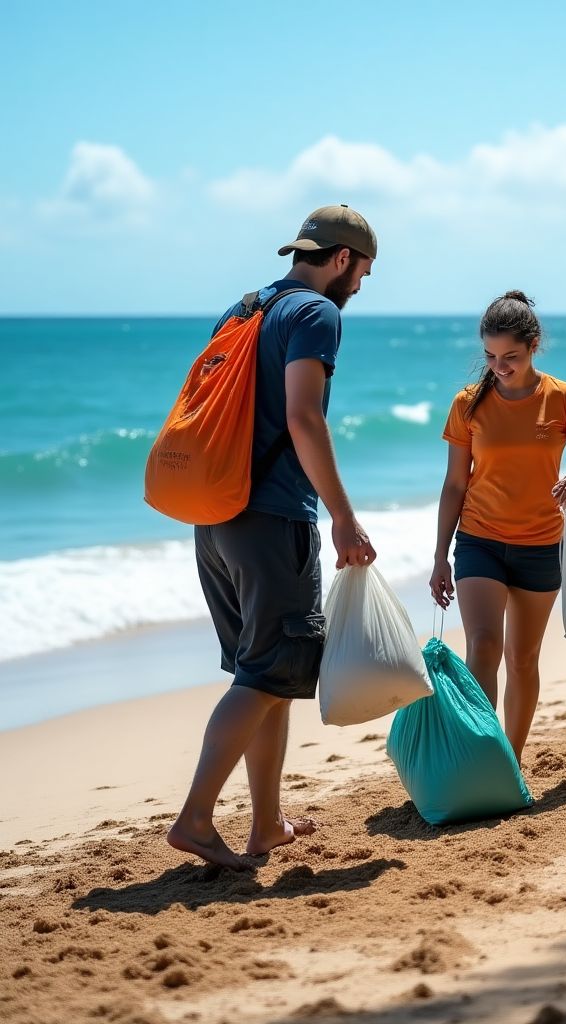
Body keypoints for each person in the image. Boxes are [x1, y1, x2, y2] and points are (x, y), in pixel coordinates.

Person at [168, 205, 378, 868]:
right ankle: (195, 819)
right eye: (362, 271)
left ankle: (266, 825)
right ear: (341, 258)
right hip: (271, 519)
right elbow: (303, 417)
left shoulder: (243, 309)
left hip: (216, 515)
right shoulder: (317, 314)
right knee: (267, 675)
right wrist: (343, 515)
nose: (360, 285)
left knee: (270, 674)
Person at [429, 291, 566, 762]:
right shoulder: (467, 404)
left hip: (541, 545)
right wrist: (439, 557)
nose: (499, 366)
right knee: (483, 645)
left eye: (509, 356)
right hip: (479, 540)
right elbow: (454, 483)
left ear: (533, 346)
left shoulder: (565, 398)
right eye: (490, 356)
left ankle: (510, 759)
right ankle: (480, 756)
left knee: (523, 658)